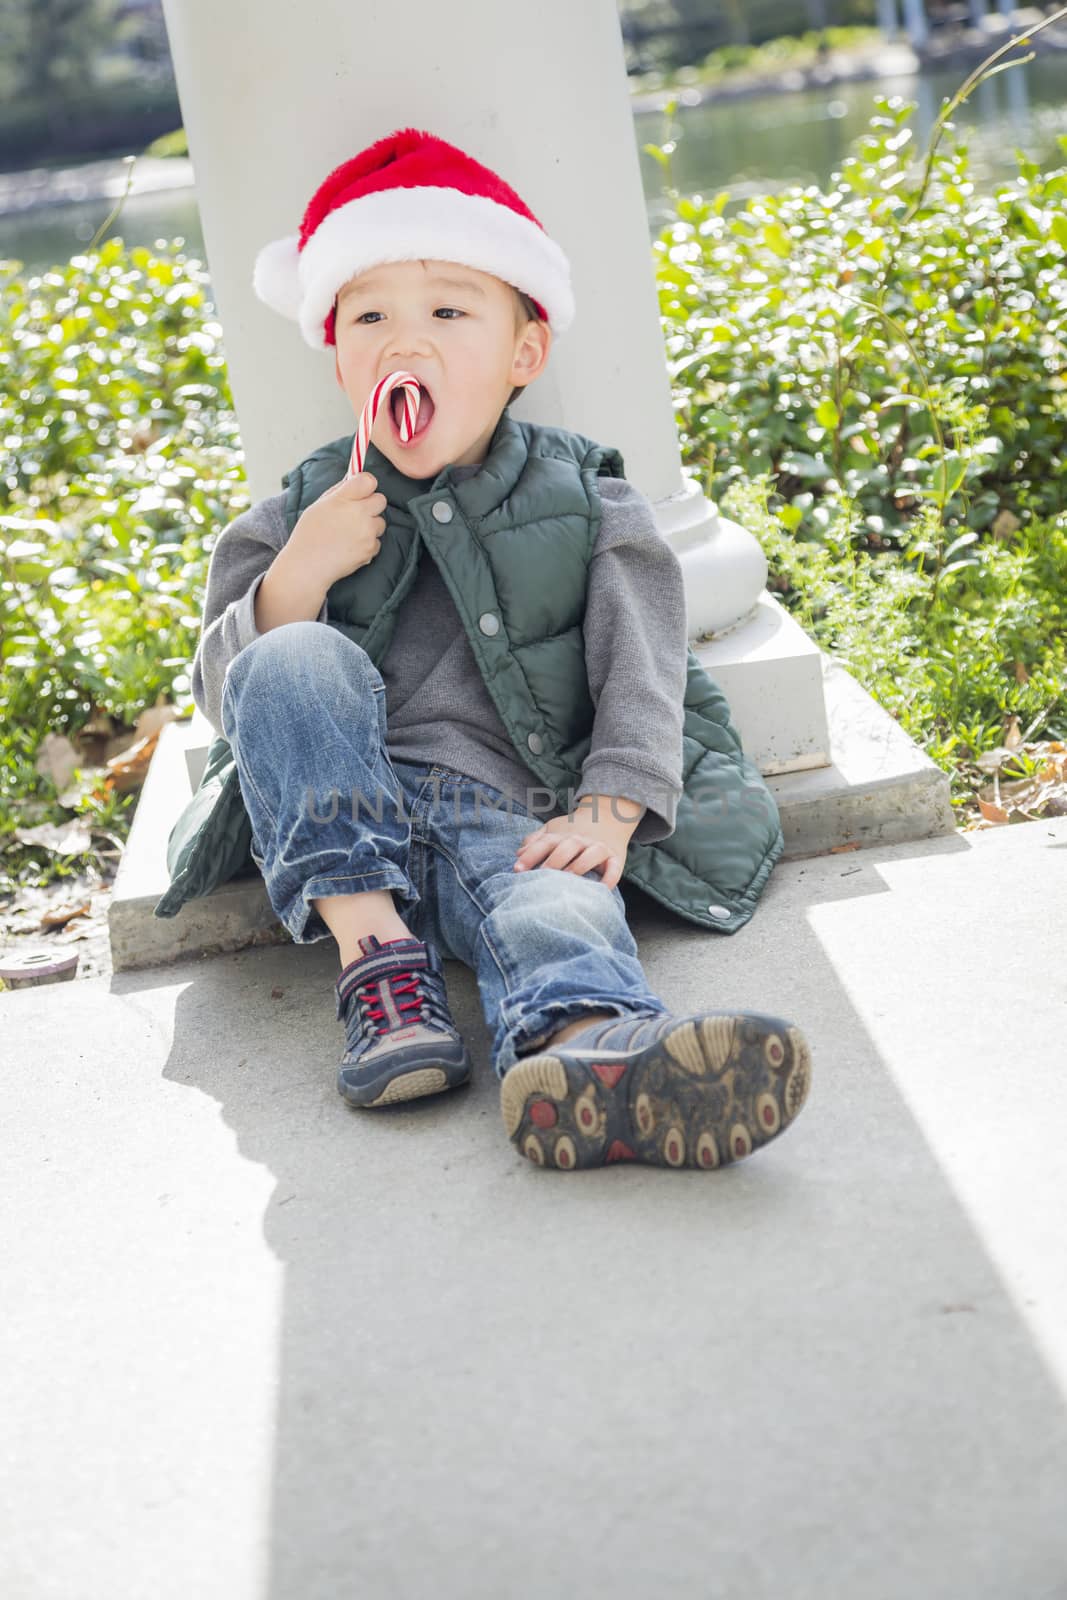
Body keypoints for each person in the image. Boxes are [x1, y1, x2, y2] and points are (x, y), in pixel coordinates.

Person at [187, 125, 812, 1171]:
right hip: (347, 818)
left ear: (523, 352)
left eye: (447, 310)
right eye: (370, 314)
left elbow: (645, 666)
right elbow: (231, 695)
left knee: (560, 903)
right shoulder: (298, 512)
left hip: (509, 811)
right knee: (293, 658)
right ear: (337, 350)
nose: (406, 340)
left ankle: (591, 1056)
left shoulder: (586, 495)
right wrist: (296, 576)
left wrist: (607, 812)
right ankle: (381, 972)